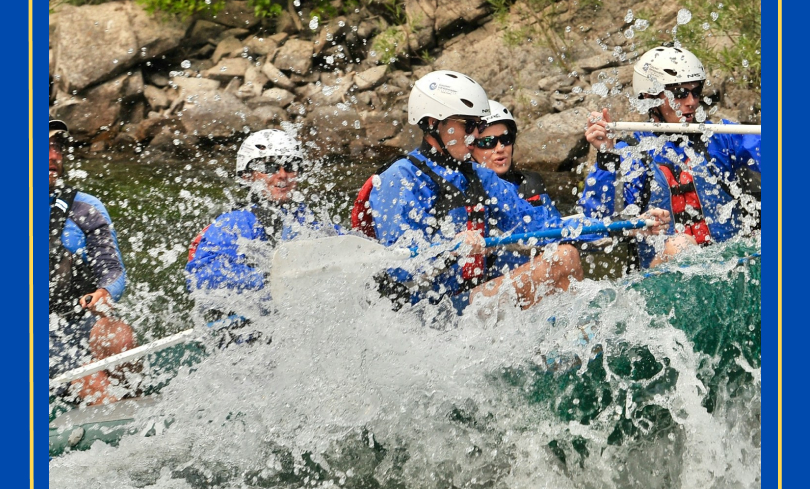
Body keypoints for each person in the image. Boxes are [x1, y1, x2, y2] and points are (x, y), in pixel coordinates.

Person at [357, 70, 669, 314]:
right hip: (426, 312)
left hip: (470, 300)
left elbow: (546, 228)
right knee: (562, 259)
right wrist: (451, 249)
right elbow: (399, 266)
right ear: (431, 123)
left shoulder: (479, 177)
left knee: (563, 253)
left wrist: (630, 225)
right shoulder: (399, 178)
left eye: (478, 125)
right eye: (468, 126)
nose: (475, 135)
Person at [578, 45, 762, 268]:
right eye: (680, 93)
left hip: (729, 265)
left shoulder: (721, 137)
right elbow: (597, 224)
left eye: (696, 91)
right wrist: (607, 157)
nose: (691, 101)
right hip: (660, 275)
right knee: (680, 244)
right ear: (650, 97)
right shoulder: (632, 153)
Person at [186, 128, 343, 338]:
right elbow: (202, 277)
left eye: (290, 166)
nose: (282, 175)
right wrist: (270, 280)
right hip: (245, 336)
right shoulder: (235, 222)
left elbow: (344, 243)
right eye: (270, 167)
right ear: (248, 176)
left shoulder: (304, 219)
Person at [48, 119, 137, 405]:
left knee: (119, 336)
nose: (54, 156)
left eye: (57, 147)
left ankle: (138, 404)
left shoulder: (84, 207)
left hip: (78, 324)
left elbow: (112, 269)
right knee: (89, 377)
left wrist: (104, 293)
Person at [471, 100, 560, 211]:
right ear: (470, 149)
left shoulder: (529, 184)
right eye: (488, 142)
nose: (500, 148)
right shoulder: (461, 192)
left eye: (506, 139)